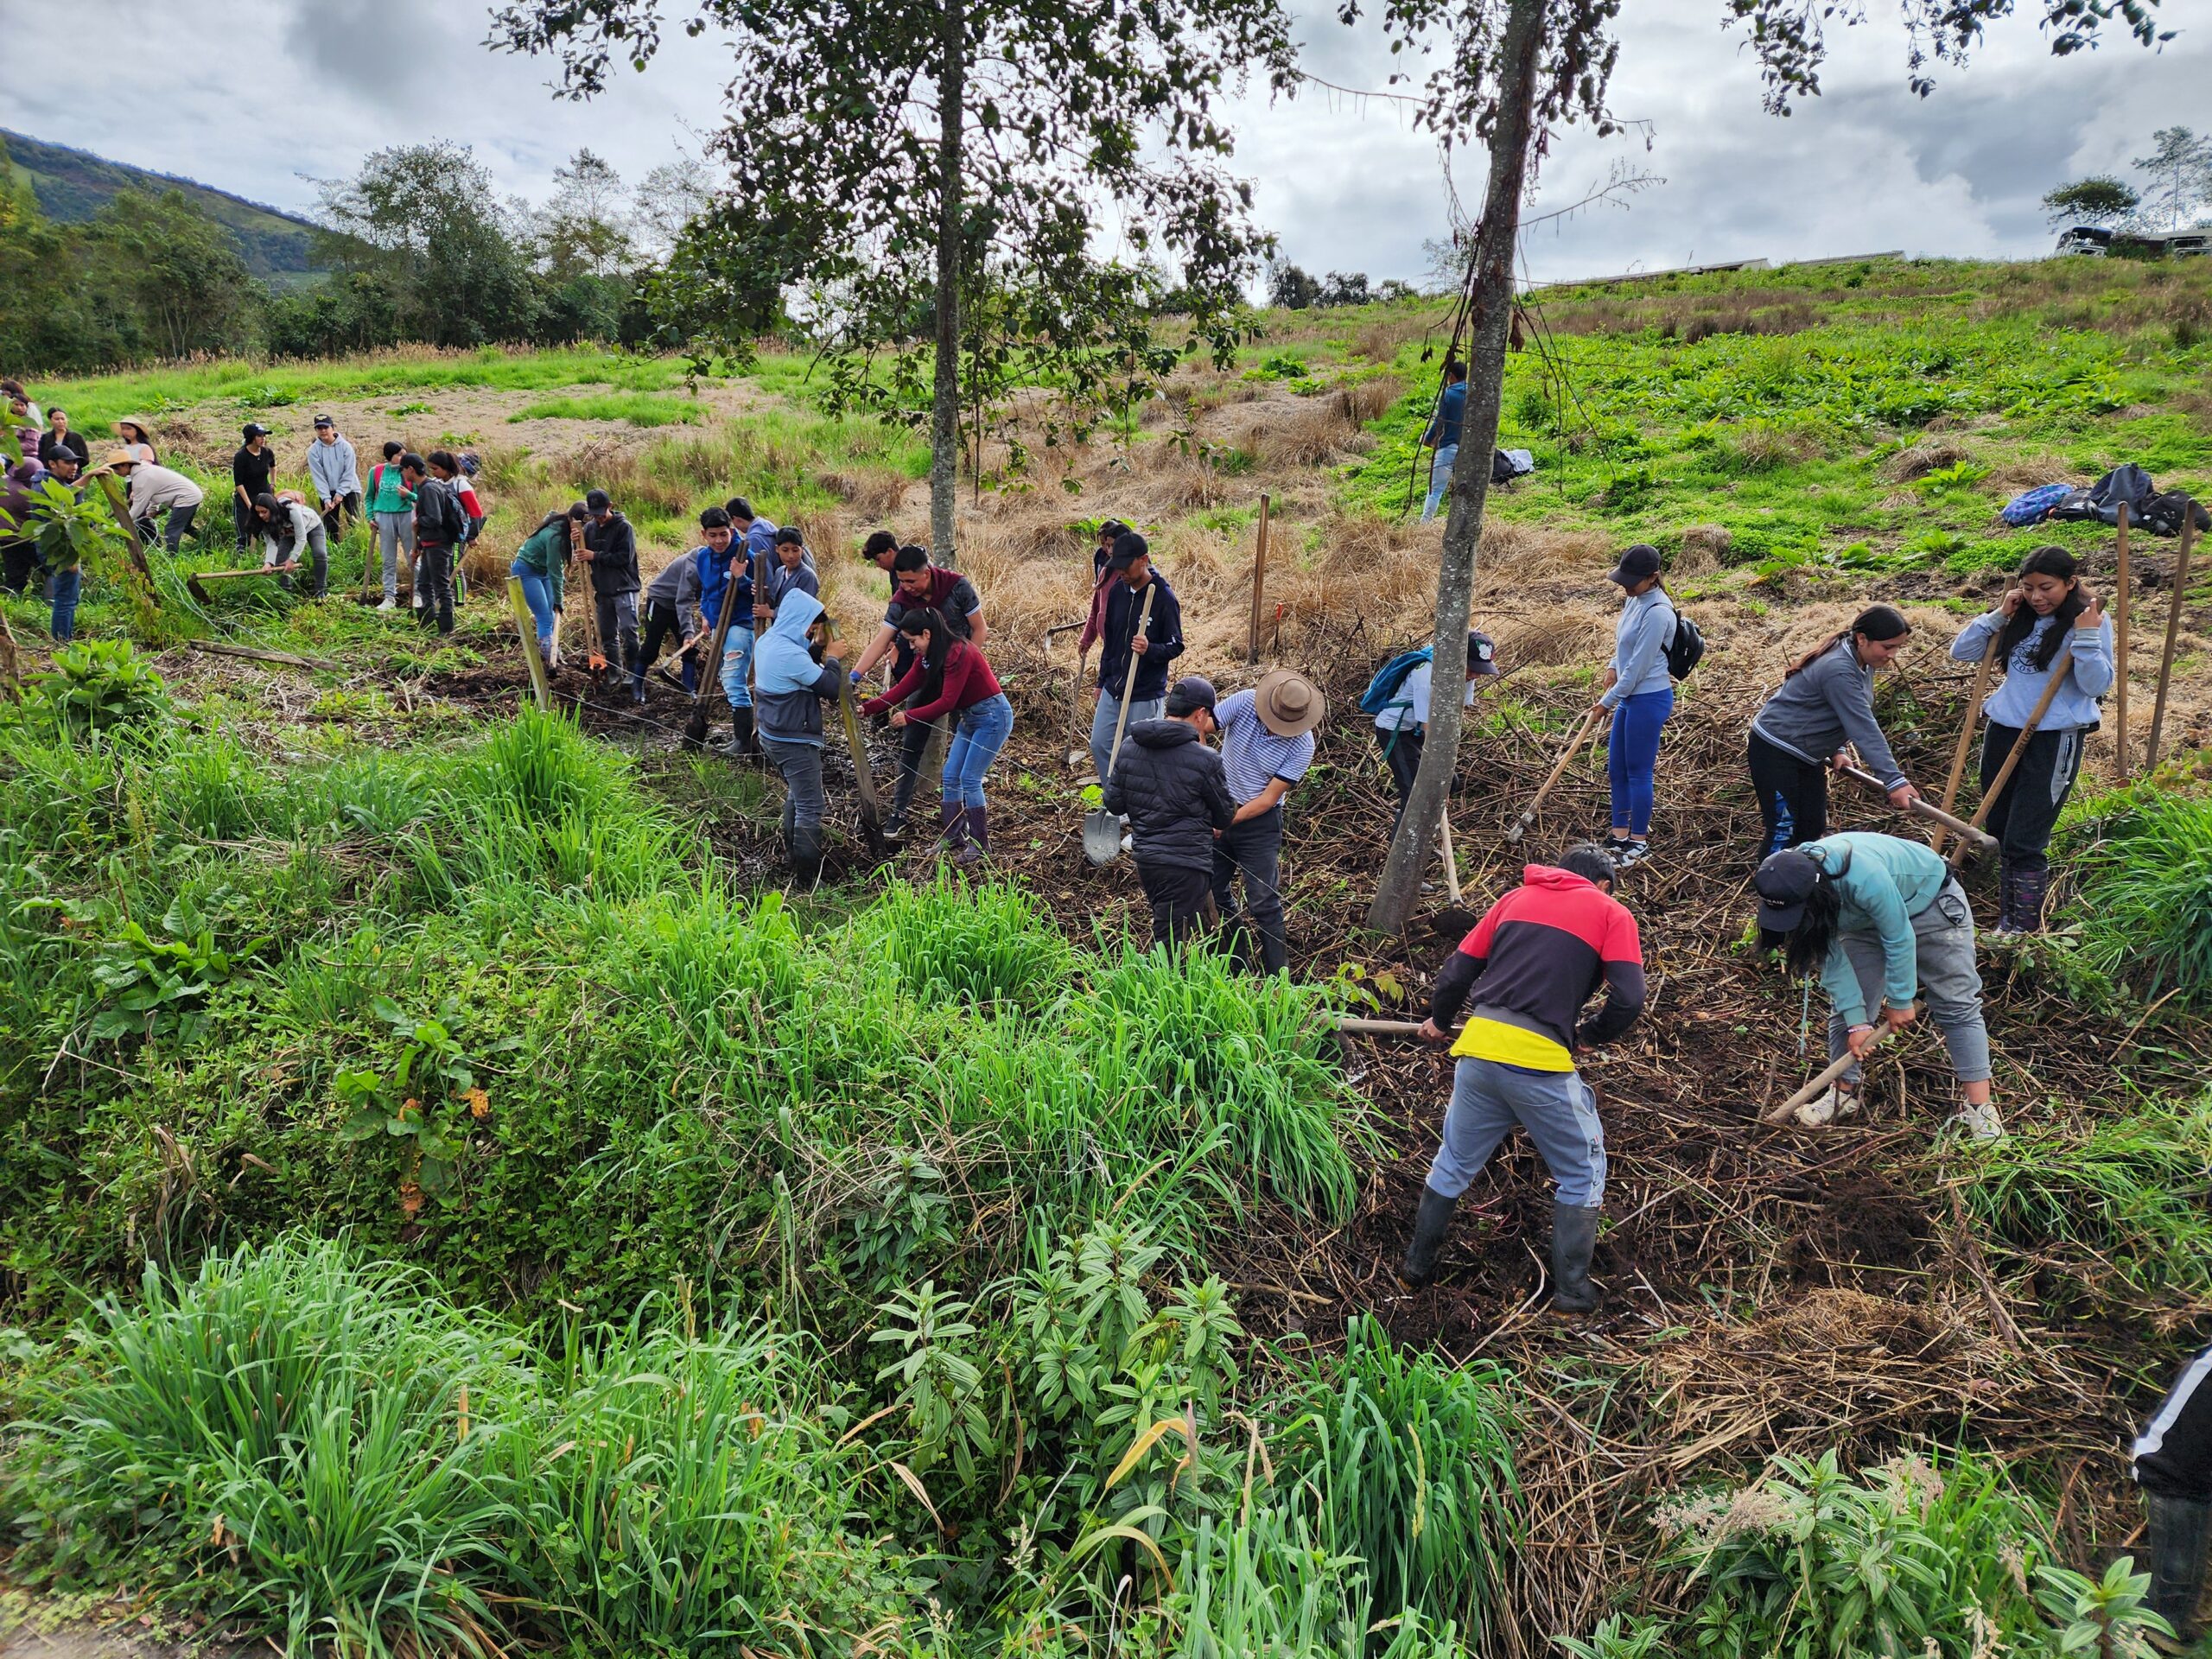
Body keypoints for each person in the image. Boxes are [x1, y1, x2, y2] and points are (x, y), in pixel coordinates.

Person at [1395, 844, 1644, 1311]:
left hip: (1478, 1052)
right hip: (1537, 1061)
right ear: (1604, 884)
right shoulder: (1611, 912)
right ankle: (1572, 1293)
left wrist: (1441, 1020)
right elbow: (1630, 998)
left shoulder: (1513, 899)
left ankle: (1415, 1271)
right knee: (1582, 1173)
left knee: (1453, 1162)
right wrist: (1589, 1036)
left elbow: (1457, 973)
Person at [1752, 831, 1999, 1139]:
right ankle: (1843, 1096)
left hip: (1930, 904)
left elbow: (1898, 935)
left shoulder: (1859, 875)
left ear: (1813, 897)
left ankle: (1982, 1112)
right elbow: (1832, 961)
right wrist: (1858, 1023)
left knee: (1956, 1004)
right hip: (1861, 922)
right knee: (1845, 1014)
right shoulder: (1785, 879)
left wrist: (1900, 1000)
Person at [1947, 547, 2113, 934]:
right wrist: (1998, 616)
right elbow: (1963, 652)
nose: (2037, 597)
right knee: (2001, 829)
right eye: (2029, 588)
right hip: (2004, 728)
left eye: (2047, 587)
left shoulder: (2088, 619)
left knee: (2026, 837)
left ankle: (2021, 928)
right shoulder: (2018, 613)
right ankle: (2006, 918)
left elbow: (2097, 685)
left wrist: (2086, 637)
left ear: (2070, 583)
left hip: (2053, 737)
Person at [1747, 604, 1919, 861]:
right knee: (1784, 829)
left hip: (1807, 754)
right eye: (1887, 647)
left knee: (1812, 826)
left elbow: (1835, 709)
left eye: (1898, 647)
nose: (1893, 655)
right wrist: (1894, 781)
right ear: (1862, 639)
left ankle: (1799, 885)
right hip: (1776, 750)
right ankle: (1772, 891)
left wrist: (1837, 749)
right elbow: (1863, 726)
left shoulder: (1862, 660)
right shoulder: (1838, 668)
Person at [850, 545, 987, 836]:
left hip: (960, 676)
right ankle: (900, 812)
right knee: (911, 745)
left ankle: (968, 817)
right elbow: (881, 642)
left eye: (912, 581)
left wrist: (963, 665)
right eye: (901, 581)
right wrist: (855, 675)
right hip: (926, 674)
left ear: (928, 572)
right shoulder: (902, 602)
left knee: (966, 744)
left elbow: (979, 628)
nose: (906, 587)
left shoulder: (956, 586)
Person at [861, 606, 1014, 861]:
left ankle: (980, 845)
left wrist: (909, 716)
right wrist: (868, 708)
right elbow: (905, 688)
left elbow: (947, 702)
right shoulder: (929, 656)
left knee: (970, 778)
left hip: (991, 717)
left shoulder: (958, 653)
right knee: (950, 775)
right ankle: (953, 837)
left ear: (927, 634)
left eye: (912, 641)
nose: (911, 647)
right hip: (969, 718)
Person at [1103, 676, 1236, 950]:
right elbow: (1224, 816)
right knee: (1169, 942)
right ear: (1200, 714)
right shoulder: (1205, 759)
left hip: (1148, 860)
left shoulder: (1130, 746)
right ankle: (1155, 988)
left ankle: (1190, 981)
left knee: (1173, 927)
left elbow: (1114, 804)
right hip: (1187, 864)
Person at [1211, 670, 1325, 976]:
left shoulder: (1302, 745)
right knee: (1212, 887)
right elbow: (1204, 725)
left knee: (1263, 898)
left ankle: (1278, 975)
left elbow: (1268, 798)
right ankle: (1235, 960)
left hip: (1259, 822)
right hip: (1221, 804)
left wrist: (1226, 821)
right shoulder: (1244, 702)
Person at [1593, 543, 1678, 871]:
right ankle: (1619, 835)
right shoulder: (1634, 600)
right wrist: (1613, 665)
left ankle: (1638, 842)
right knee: (1617, 769)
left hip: (1649, 697)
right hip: (1629, 694)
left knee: (1638, 771)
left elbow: (1640, 666)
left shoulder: (1658, 611)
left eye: (1633, 580)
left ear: (1653, 577)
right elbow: (1624, 645)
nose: (1626, 586)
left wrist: (1605, 703)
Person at [753, 588, 846, 876]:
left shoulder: (768, 641)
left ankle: (793, 857)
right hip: (793, 739)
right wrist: (832, 658)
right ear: (799, 620)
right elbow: (830, 687)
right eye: (811, 626)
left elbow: (803, 664)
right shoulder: (790, 654)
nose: (810, 632)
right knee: (810, 805)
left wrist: (817, 648)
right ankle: (808, 877)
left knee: (797, 793)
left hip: (772, 732)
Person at [1371, 630, 1499, 835]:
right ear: (1456, 657)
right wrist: (1438, 769)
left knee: (1451, 783)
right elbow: (1427, 726)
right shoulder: (1426, 676)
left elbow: (1458, 711)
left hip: (1420, 731)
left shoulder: (1466, 671)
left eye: (1480, 670)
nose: (1475, 675)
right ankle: (1399, 850)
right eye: (1473, 668)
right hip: (1396, 731)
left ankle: (1425, 828)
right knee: (1413, 794)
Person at [1089, 532, 1185, 788]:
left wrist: (1150, 648)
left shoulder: (1163, 597)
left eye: (1125, 565)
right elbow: (1110, 642)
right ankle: (1116, 799)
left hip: (1145, 692)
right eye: (1116, 565)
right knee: (1099, 743)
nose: (1120, 571)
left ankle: (1139, 805)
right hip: (1114, 687)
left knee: (1143, 754)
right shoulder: (1118, 592)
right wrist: (1102, 681)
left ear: (1143, 560)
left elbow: (1177, 645)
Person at [2133, 1344, 2212, 1649]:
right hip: (2171, 1470)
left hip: (2191, 1475)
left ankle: (2168, 1626)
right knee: (2179, 1569)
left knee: (2188, 1561)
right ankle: (2157, 1633)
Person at [696, 508, 760, 749]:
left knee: (734, 680)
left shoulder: (746, 556)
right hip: (716, 625)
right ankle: (740, 737)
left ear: (732, 531)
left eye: (724, 534)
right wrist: (704, 614)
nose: (719, 540)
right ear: (704, 535)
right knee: (723, 678)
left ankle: (743, 741)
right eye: (713, 535)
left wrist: (741, 578)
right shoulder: (702, 557)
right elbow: (706, 590)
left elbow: (761, 594)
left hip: (740, 625)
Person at [577, 487, 642, 689]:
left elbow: (624, 558)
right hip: (603, 590)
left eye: (601, 514)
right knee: (607, 633)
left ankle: (634, 672)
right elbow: (582, 554)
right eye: (594, 515)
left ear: (610, 507)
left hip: (624, 587)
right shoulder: (589, 529)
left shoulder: (624, 528)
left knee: (628, 630)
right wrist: (576, 542)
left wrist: (595, 556)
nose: (598, 519)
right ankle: (615, 671)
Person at [512, 504, 584, 668]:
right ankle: (550, 659)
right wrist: (560, 600)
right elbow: (556, 570)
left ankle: (552, 651)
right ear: (571, 520)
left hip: (543, 571)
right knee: (545, 617)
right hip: (527, 571)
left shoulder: (566, 530)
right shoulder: (555, 536)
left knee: (551, 616)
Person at [639, 529, 706, 697]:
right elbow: (683, 602)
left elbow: (709, 595)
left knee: (689, 648)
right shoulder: (693, 568)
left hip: (680, 602)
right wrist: (689, 632)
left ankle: (688, 689)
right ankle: (636, 686)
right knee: (651, 648)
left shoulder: (715, 565)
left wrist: (709, 617)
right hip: (661, 601)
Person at [404, 452, 464, 635]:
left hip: (439, 544)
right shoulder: (426, 488)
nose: (403, 474)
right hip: (430, 544)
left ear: (410, 470)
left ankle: (446, 629)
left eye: (403, 470)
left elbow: (434, 519)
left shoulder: (429, 489)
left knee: (441, 586)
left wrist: (418, 522)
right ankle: (427, 624)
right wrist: (419, 547)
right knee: (423, 584)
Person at [100, 450, 202, 552]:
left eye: (116, 469)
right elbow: (157, 491)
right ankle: (206, 541)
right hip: (190, 494)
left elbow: (136, 510)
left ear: (125, 465)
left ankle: (172, 557)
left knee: (171, 529)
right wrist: (152, 509)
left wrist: (117, 526)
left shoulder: (142, 478)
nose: (116, 473)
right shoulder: (143, 471)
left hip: (186, 497)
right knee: (185, 526)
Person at [428, 452, 482, 608]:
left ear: (446, 468)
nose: (432, 472)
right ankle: (443, 599)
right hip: (439, 533)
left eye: (435, 468)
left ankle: (459, 602)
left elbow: (476, 513)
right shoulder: (435, 483)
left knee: (455, 567)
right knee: (439, 567)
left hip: (458, 534)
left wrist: (472, 535)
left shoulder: (461, 485)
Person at [365, 441, 415, 611]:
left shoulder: (409, 470)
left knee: (412, 556)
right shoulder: (376, 471)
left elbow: (420, 494)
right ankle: (389, 597)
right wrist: (370, 516)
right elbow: (370, 496)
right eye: (399, 454)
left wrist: (409, 495)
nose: (403, 457)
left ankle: (419, 594)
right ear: (389, 456)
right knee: (388, 559)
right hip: (383, 517)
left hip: (407, 516)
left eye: (404, 453)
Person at [252, 492, 327, 598]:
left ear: (272, 509)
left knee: (320, 554)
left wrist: (292, 559)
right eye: (258, 512)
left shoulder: (291, 510)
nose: (261, 515)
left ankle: (320, 590)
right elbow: (271, 543)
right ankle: (286, 593)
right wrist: (268, 563)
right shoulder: (264, 521)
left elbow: (301, 538)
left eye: (264, 512)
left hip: (312, 526)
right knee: (279, 560)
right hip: (288, 534)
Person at [1421, 359, 1468, 523]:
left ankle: (1424, 524)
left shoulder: (1448, 394)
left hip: (1448, 447)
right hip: (1468, 448)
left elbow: (1440, 421)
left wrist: (1427, 439)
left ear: (1452, 376)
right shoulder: (1474, 393)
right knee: (1465, 490)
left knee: (1435, 490)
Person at [308, 416, 361, 537]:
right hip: (328, 491)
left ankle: (356, 549)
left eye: (326, 427)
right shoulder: (313, 451)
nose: (323, 431)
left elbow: (349, 471)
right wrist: (326, 498)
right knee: (330, 526)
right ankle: (333, 553)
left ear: (332, 428)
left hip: (350, 489)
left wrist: (341, 493)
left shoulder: (345, 447)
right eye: (319, 428)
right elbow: (318, 477)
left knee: (354, 523)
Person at [756, 524, 821, 621]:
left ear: (802, 550)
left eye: (795, 550)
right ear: (777, 549)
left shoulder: (807, 576)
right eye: (785, 550)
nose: (790, 556)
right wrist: (763, 593)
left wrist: (772, 613)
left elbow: (803, 611)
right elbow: (775, 601)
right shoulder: (780, 572)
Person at [230, 423, 277, 554]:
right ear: (251, 438)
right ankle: (243, 561)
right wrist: (250, 505)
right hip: (246, 497)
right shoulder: (241, 456)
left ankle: (269, 557)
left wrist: (273, 483)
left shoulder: (267, 452)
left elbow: (273, 466)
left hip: (264, 496)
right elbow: (238, 483)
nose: (263, 439)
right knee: (245, 534)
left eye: (264, 436)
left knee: (270, 529)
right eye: (260, 436)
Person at [38, 407, 88, 471]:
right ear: (50, 420)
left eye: (63, 419)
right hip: (51, 474)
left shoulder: (76, 438)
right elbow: (41, 457)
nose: (61, 421)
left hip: (73, 474)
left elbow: (85, 459)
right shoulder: (45, 438)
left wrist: (70, 467)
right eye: (57, 419)